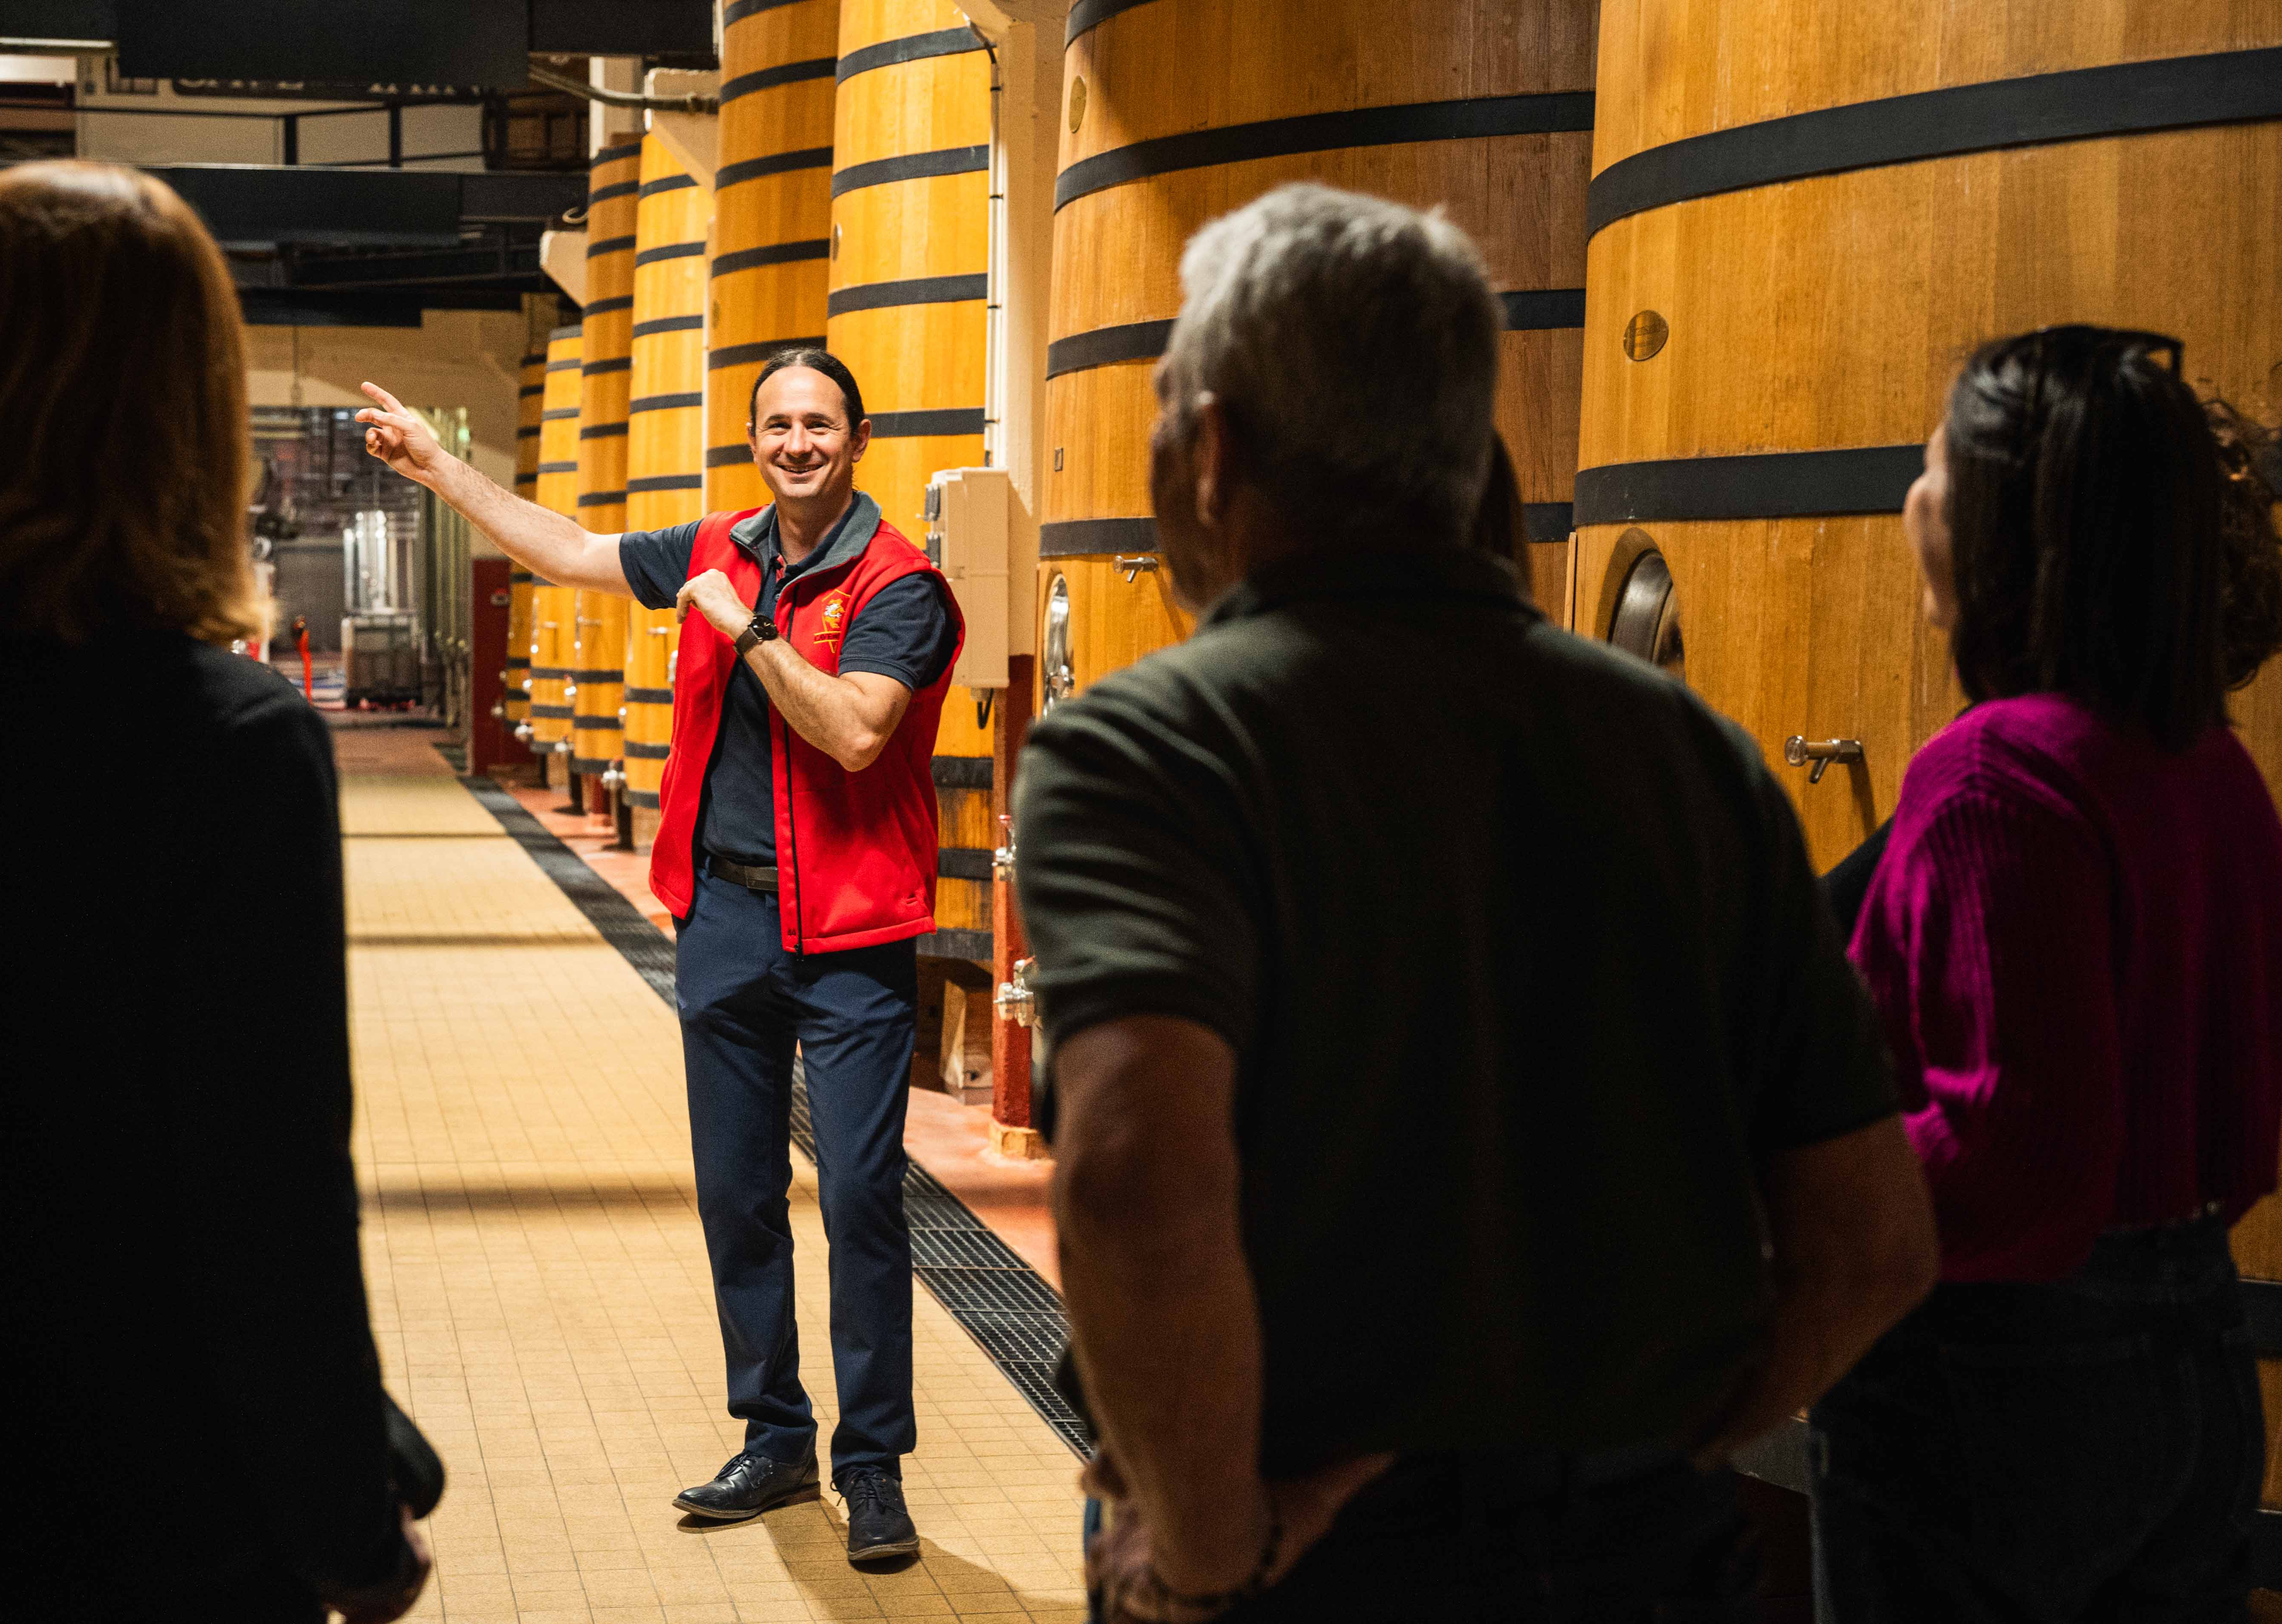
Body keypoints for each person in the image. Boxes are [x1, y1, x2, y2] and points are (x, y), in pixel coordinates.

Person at [1008, 183, 1940, 1623]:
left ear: (1213, 449)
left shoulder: (1153, 751)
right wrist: (1651, 1451)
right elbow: (1876, 1241)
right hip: (1655, 1556)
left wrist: (1208, 1551)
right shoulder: (1690, 752)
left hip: (1322, 1564)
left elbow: (1139, 1183)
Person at [0, 162, 432, 1623]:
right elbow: (264, 1202)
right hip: (140, 1523)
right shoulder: (221, 747)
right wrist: (354, 1524)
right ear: (182, 415)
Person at [356, 347, 959, 1563]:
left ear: (857, 438)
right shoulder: (714, 547)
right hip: (727, 918)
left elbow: (852, 733)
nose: (798, 443)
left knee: (857, 1197)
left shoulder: (904, 585)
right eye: (778, 424)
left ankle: (873, 1459)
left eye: (820, 425)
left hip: (851, 931)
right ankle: (778, 1432)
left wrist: (746, 635)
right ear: (755, 437)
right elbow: (571, 549)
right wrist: (441, 468)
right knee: (738, 1194)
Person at [1812, 327, 2282, 1621]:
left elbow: (2018, 1166)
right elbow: (2243, 1138)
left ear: (2009, 530)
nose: (1911, 503)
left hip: (1998, 1386)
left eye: (1932, 472)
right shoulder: (2208, 766)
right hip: (2197, 1356)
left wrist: (1811, 1175)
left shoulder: (1989, 778)